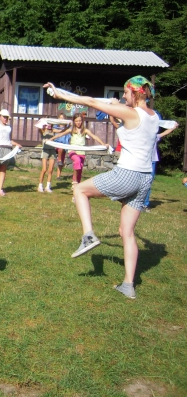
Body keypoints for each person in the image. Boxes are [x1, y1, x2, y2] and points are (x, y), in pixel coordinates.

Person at [45, 76, 160, 299]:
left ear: (136, 93)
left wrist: (60, 94)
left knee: (79, 190)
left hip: (128, 174)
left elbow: (90, 102)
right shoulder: (153, 116)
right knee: (126, 232)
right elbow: (127, 122)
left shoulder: (131, 113)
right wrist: (115, 107)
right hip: (145, 179)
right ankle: (128, 285)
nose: (123, 96)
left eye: (126, 92)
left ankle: (88, 236)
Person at [51, 113, 107, 190]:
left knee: (79, 170)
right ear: (74, 121)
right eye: (76, 121)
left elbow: (94, 137)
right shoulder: (71, 130)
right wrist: (50, 139)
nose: (78, 122)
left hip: (81, 152)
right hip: (73, 151)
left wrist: (103, 144)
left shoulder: (85, 130)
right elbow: (60, 134)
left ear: (82, 121)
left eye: (80, 121)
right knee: (77, 161)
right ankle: (74, 182)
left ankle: (77, 188)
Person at [142, 118, 178, 211]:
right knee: (139, 182)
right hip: (142, 161)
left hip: (152, 161)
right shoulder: (140, 135)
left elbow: (165, 132)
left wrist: (173, 127)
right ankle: (136, 202)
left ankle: (145, 204)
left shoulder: (155, 136)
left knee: (148, 183)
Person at [0, 109, 21, 196]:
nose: (5, 119)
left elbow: (9, 140)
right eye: (4, 117)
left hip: (7, 149)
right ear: (0, 117)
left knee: (3, 168)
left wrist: (16, 144)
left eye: (7, 117)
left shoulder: (9, 128)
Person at [37, 120, 60, 193]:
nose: (49, 125)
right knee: (44, 169)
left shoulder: (53, 130)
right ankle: (40, 186)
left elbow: (61, 131)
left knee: (50, 170)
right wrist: (43, 122)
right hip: (45, 151)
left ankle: (48, 186)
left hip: (52, 151)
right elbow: (38, 126)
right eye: (48, 124)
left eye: (50, 124)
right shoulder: (43, 130)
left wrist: (68, 126)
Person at [53, 112, 70, 179]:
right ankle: (59, 160)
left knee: (62, 161)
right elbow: (55, 131)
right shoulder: (55, 126)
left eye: (63, 118)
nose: (61, 119)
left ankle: (58, 176)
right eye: (60, 118)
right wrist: (64, 130)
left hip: (64, 145)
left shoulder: (68, 128)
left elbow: (70, 136)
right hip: (56, 144)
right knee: (60, 148)